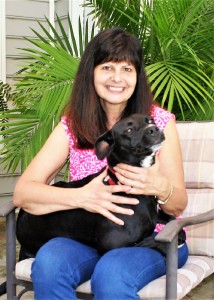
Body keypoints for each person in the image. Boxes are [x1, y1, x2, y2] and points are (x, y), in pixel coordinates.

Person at [13, 27, 188, 299]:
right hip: (87, 236)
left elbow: (177, 204)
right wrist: (83, 197)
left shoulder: (159, 123)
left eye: (127, 69)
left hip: (152, 238)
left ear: (137, 76)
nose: (117, 78)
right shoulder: (73, 126)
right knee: (49, 265)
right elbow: (24, 193)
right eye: (107, 67)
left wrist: (161, 187)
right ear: (91, 72)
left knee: (111, 275)